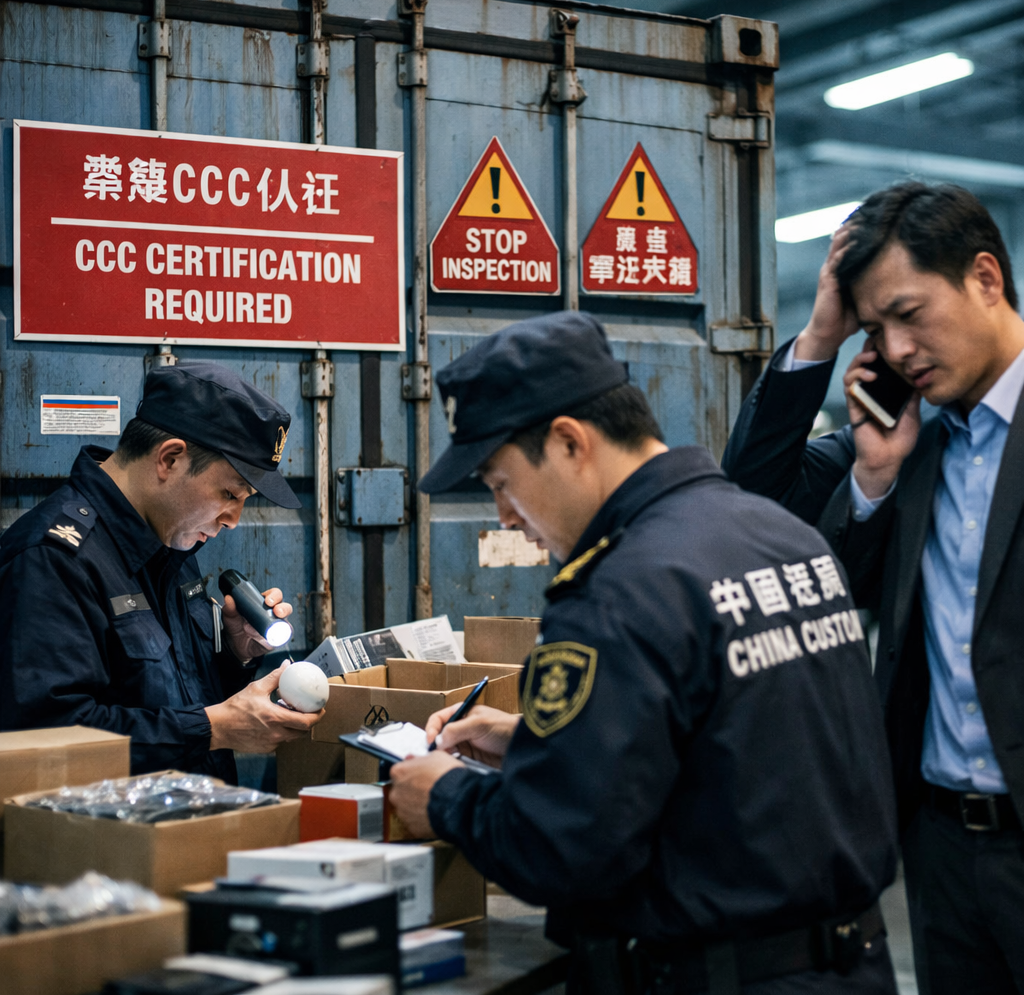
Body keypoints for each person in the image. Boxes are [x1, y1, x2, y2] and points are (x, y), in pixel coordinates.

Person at [388, 311, 899, 995]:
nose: (505, 515)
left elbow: (560, 849)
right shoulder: (778, 534)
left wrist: (444, 795)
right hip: (850, 965)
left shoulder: (618, 589)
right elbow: (753, 748)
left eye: (500, 482)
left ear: (570, 443)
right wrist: (548, 746)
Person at [722, 182, 1024, 995]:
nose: (894, 350)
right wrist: (827, 339)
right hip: (940, 849)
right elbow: (747, 504)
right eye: (874, 329)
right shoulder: (902, 441)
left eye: (909, 313)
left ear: (986, 279)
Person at [0, 361, 324, 781]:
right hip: (110, 841)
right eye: (229, 493)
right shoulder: (53, 559)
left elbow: (166, 695)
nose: (234, 520)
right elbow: (48, 735)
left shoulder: (172, 540)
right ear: (169, 458)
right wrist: (212, 730)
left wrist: (233, 654)